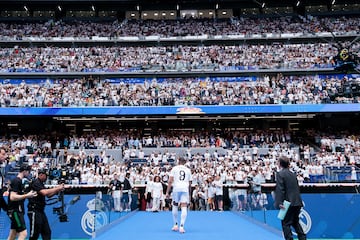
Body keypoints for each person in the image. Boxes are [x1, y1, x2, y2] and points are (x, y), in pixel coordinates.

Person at [27, 169, 65, 240]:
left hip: (40, 211)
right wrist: (57, 188)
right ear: (41, 175)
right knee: (35, 233)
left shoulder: (41, 183)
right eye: (45, 175)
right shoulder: (36, 182)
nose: (46, 177)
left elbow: (48, 195)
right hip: (34, 210)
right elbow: (44, 192)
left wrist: (58, 189)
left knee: (47, 232)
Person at [274, 156, 307, 240]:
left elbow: (280, 189)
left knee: (286, 224)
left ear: (280, 164)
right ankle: (303, 238)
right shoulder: (293, 174)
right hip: (297, 202)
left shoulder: (280, 174)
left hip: (287, 203)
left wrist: (279, 203)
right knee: (295, 222)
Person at [7, 164, 38, 240]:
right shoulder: (17, 181)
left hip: (15, 211)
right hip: (15, 211)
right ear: (24, 171)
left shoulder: (18, 181)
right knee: (23, 234)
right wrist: (27, 195)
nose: (29, 173)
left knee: (13, 234)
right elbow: (12, 197)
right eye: (28, 171)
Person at [166, 157, 192, 234]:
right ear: (185, 162)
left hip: (176, 188)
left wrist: (167, 192)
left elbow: (170, 181)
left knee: (175, 205)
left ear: (178, 161)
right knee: (184, 206)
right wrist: (189, 194)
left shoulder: (174, 169)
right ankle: (182, 226)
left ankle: (175, 224)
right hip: (185, 188)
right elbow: (190, 183)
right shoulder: (188, 170)